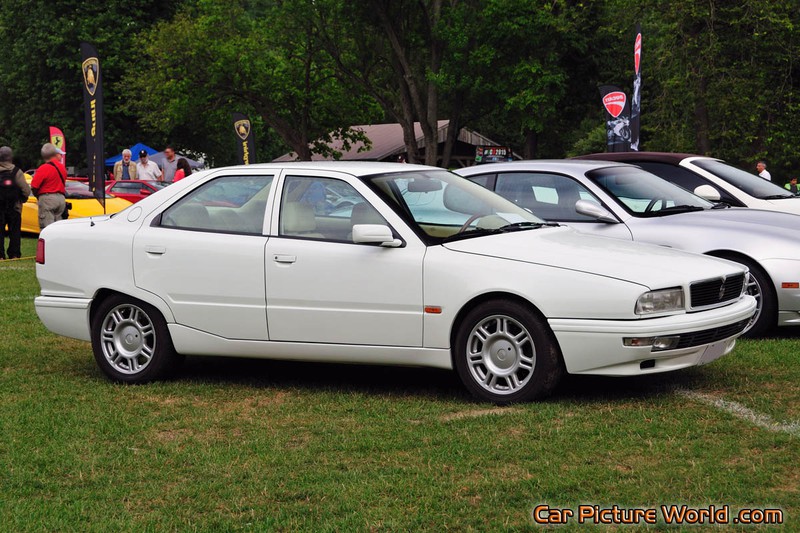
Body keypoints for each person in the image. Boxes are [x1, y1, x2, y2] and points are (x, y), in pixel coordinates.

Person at [0, 146, 31, 259]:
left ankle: (0, 255)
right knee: (15, 232)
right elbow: (26, 190)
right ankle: (14, 254)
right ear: (11, 158)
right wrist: (21, 199)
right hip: (15, 207)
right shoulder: (17, 172)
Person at [31, 143, 67, 230]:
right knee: (58, 227)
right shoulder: (62, 167)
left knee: (47, 228)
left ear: (43, 156)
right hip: (61, 199)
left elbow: (34, 186)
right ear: (55, 153)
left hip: (48, 199)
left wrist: (38, 197)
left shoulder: (43, 168)